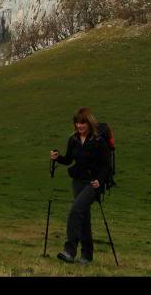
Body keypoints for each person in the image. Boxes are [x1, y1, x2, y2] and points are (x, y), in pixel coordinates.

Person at [49, 107, 111, 264]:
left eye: (82, 123)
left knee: (76, 210)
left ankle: (69, 251)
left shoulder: (98, 141)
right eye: (77, 123)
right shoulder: (74, 139)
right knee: (83, 217)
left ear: (89, 123)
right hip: (77, 181)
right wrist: (57, 158)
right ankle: (87, 255)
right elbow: (69, 160)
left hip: (92, 183)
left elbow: (106, 166)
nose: (79, 126)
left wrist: (100, 181)